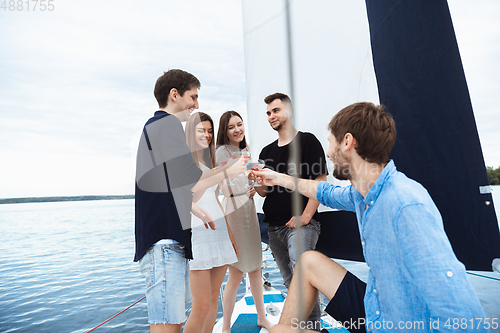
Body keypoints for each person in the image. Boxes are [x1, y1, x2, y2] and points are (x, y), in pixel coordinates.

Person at [254, 102, 487, 333]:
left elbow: (464, 318)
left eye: (330, 142)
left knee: (278, 332)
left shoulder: (405, 205)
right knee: (308, 262)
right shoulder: (364, 193)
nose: (327, 153)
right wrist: (278, 178)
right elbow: (326, 192)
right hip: (377, 308)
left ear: (347, 141)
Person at [134, 69, 246, 333]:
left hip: (163, 242)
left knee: (170, 326)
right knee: (167, 329)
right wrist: (231, 170)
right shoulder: (168, 124)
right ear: (175, 95)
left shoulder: (155, 128)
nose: (196, 104)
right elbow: (192, 181)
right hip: (164, 243)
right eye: (193, 97)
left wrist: (194, 208)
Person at [255, 93, 328, 330]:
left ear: (289, 111)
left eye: (275, 111)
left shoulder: (307, 142)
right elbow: (263, 192)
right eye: (268, 113)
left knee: (302, 275)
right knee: (290, 282)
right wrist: (255, 181)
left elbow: (320, 180)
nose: (271, 116)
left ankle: (312, 328)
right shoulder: (266, 152)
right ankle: (302, 327)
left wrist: (306, 216)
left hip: (302, 223)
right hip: (274, 227)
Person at [215, 111, 274, 332]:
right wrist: (244, 187)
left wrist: (258, 181)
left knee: (256, 269)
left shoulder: (245, 151)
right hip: (234, 212)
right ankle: (226, 326)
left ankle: (262, 317)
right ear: (225, 130)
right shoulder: (221, 151)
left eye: (240, 125)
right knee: (236, 273)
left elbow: (259, 191)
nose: (237, 130)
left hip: (248, 211)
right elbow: (225, 186)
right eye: (232, 127)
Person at [182, 112, 239, 333]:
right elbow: (186, 196)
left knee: (214, 300)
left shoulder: (209, 162)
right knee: (201, 305)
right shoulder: (183, 161)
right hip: (198, 234)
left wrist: (231, 236)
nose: (206, 135)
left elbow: (217, 198)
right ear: (190, 132)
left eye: (209, 131)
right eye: (200, 130)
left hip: (220, 232)